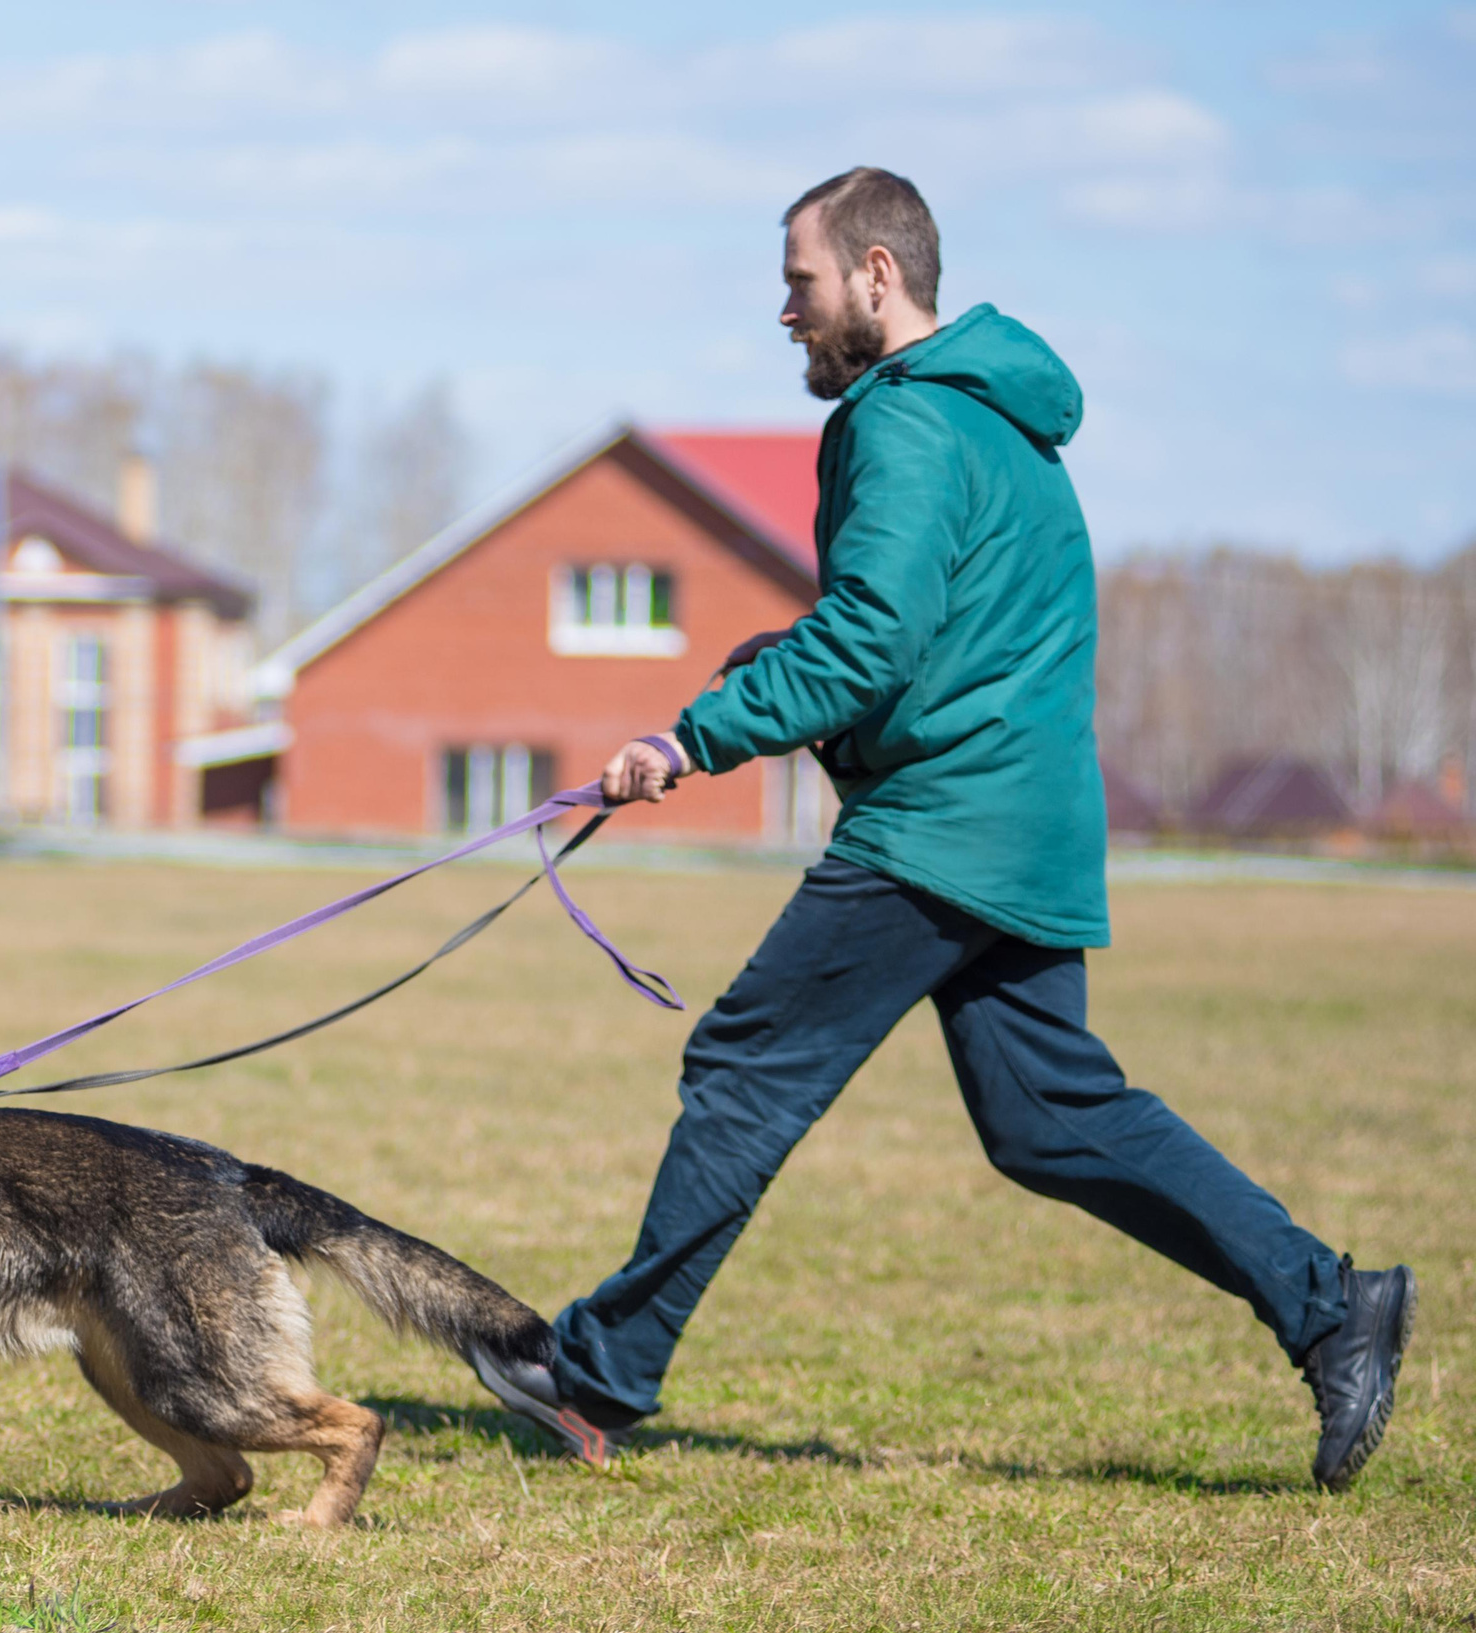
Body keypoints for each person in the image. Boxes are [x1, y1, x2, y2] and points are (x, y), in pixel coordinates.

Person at [471, 167, 1414, 1492]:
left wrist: (691, 738)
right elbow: (908, 628)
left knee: (748, 1063)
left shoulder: (905, 422)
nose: (783, 312)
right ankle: (1331, 1305)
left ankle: (595, 1371)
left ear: (872, 273)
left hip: (941, 826)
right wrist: (757, 679)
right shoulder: (999, 422)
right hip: (1022, 823)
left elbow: (873, 640)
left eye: (798, 282)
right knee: (1049, 1114)